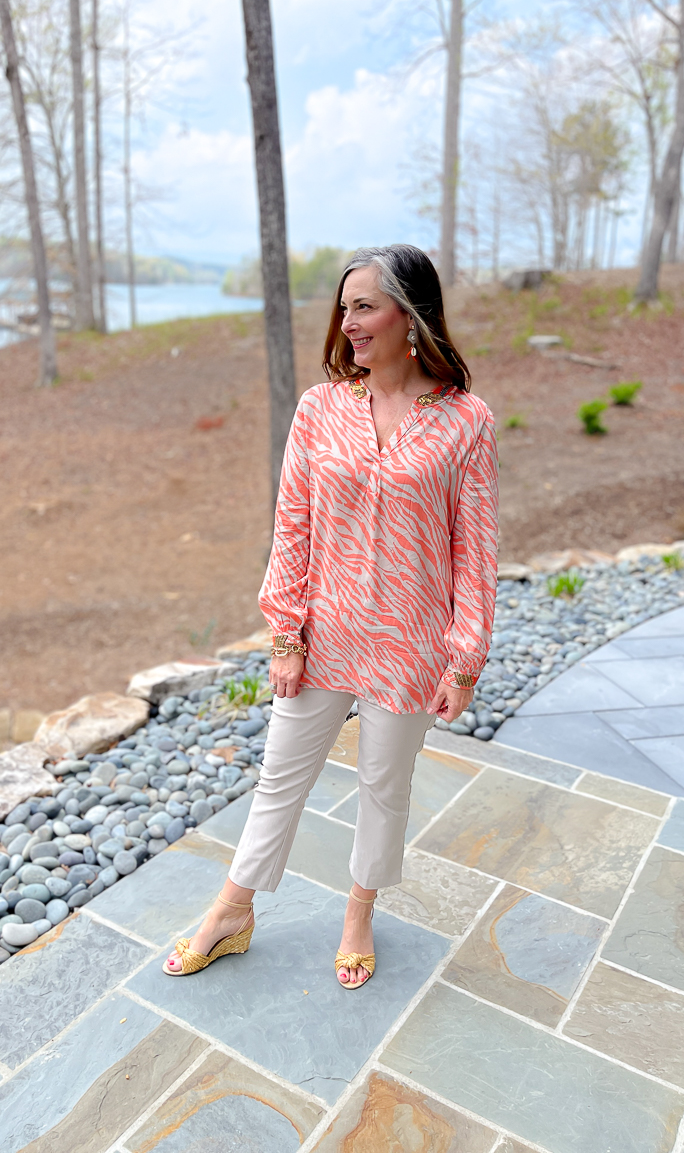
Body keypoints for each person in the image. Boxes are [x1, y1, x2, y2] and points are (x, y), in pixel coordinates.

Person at [163, 244, 498, 988]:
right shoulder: (319, 410)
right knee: (281, 777)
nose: (347, 323)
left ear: (410, 316)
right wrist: (286, 633)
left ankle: (358, 912)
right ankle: (231, 910)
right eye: (343, 308)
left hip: (411, 644)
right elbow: (293, 528)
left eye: (363, 306)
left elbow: (476, 553)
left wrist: (464, 657)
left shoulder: (466, 423)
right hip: (325, 635)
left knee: (384, 785)